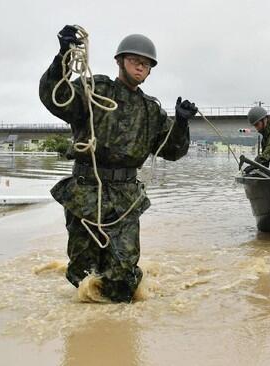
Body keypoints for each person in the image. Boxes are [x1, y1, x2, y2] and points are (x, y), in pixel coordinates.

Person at [39, 25, 198, 303]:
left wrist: (182, 123)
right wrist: (64, 54)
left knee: (123, 276)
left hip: (125, 198)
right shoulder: (95, 89)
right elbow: (57, 98)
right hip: (86, 193)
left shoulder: (151, 110)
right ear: (120, 61)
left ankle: (121, 328)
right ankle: (87, 336)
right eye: (135, 61)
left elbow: (172, 151)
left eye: (146, 64)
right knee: (83, 272)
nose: (140, 67)